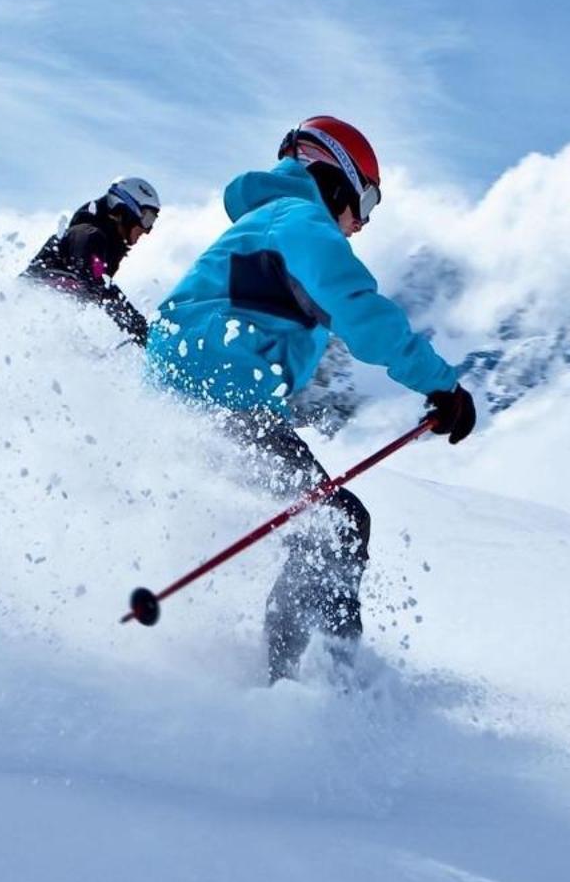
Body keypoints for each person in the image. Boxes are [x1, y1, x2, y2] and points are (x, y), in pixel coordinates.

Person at [147, 116, 476, 684]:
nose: (362, 223)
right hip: (223, 403)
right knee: (337, 525)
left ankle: (294, 676)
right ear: (336, 179)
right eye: (366, 202)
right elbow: (359, 308)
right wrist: (440, 384)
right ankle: (313, 688)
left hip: (188, 402)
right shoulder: (300, 221)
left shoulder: (265, 222)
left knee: (320, 524)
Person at [22, 176, 161, 345]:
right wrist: (138, 327)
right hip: (29, 322)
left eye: (153, 221)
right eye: (147, 219)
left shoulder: (104, 245)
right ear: (125, 210)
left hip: (43, 323)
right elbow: (96, 280)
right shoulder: (88, 236)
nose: (147, 230)